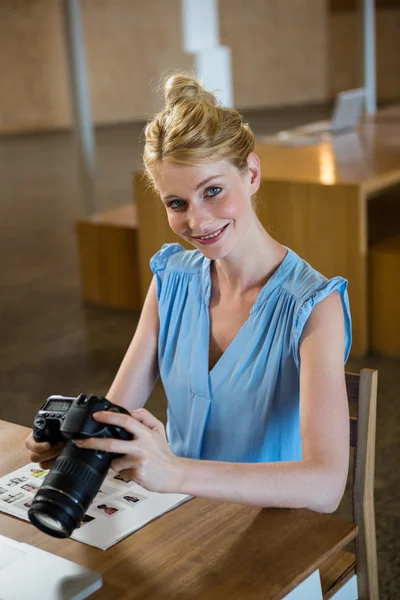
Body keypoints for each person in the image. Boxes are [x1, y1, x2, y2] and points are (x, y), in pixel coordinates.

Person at [25, 73, 351, 513]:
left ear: (251, 173)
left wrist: (175, 472)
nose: (197, 222)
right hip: (179, 513)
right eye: (176, 204)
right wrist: (75, 446)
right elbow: (116, 413)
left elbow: (326, 486)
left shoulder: (315, 307)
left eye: (212, 191)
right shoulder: (171, 280)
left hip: (269, 528)